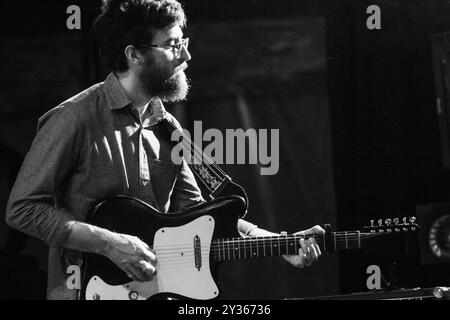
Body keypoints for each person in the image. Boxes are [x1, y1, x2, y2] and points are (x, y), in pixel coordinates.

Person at [5, 0, 324, 300]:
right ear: (135, 54)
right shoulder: (74, 117)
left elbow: (201, 217)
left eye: (183, 41)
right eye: (173, 45)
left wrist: (279, 243)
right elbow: (22, 209)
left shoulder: (168, 128)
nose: (186, 55)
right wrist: (111, 244)